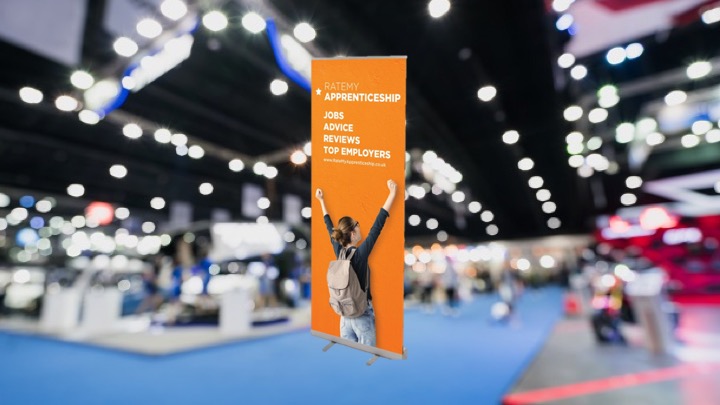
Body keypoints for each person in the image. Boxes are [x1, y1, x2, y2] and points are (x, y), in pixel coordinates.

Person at [315, 179, 397, 347]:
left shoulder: (339, 252)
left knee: (348, 358)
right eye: (358, 225)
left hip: (344, 315)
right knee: (365, 359)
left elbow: (329, 227)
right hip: (362, 315)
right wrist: (392, 194)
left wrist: (321, 201)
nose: (361, 228)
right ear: (352, 233)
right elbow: (377, 225)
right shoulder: (360, 254)